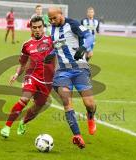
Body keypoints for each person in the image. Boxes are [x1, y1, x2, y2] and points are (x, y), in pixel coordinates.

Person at [46, 7, 97, 149]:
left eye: (54, 18)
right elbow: (55, 46)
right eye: (49, 19)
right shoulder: (51, 30)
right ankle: (77, 135)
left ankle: (91, 117)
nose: (52, 21)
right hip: (62, 72)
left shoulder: (73, 24)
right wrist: (49, 55)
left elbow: (90, 36)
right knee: (66, 100)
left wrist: (84, 47)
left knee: (89, 104)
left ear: (61, 15)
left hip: (80, 69)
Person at [0, 16, 55, 138]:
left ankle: (23, 122)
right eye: (34, 27)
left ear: (43, 27)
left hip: (47, 80)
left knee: (39, 106)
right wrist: (16, 74)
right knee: (24, 99)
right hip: (32, 76)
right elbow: (22, 64)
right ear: (31, 28)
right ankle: (7, 127)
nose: (37, 30)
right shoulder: (27, 45)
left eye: (39, 27)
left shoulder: (51, 40)